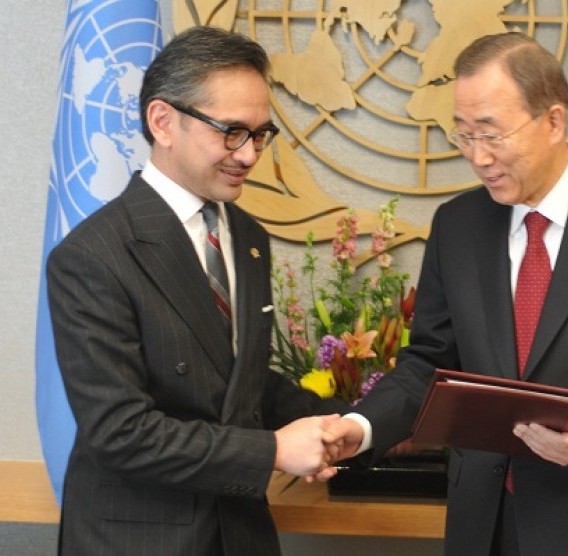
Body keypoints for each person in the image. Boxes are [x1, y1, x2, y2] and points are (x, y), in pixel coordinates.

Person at [323, 32, 568, 555]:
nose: (478, 157)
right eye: (463, 135)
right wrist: (361, 427)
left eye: (492, 133)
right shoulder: (458, 225)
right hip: (482, 521)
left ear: (553, 121)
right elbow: (428, 364)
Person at [46, 26, 346, 555]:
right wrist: (274, 450)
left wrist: (339, 424)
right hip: (137, 540)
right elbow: (121, 431)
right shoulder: (91, 256)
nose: (250, 155)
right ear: (163, 122)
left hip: (239, 533)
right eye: (231, 131)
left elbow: (237, 382)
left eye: (259, 134)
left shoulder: (248, 237)